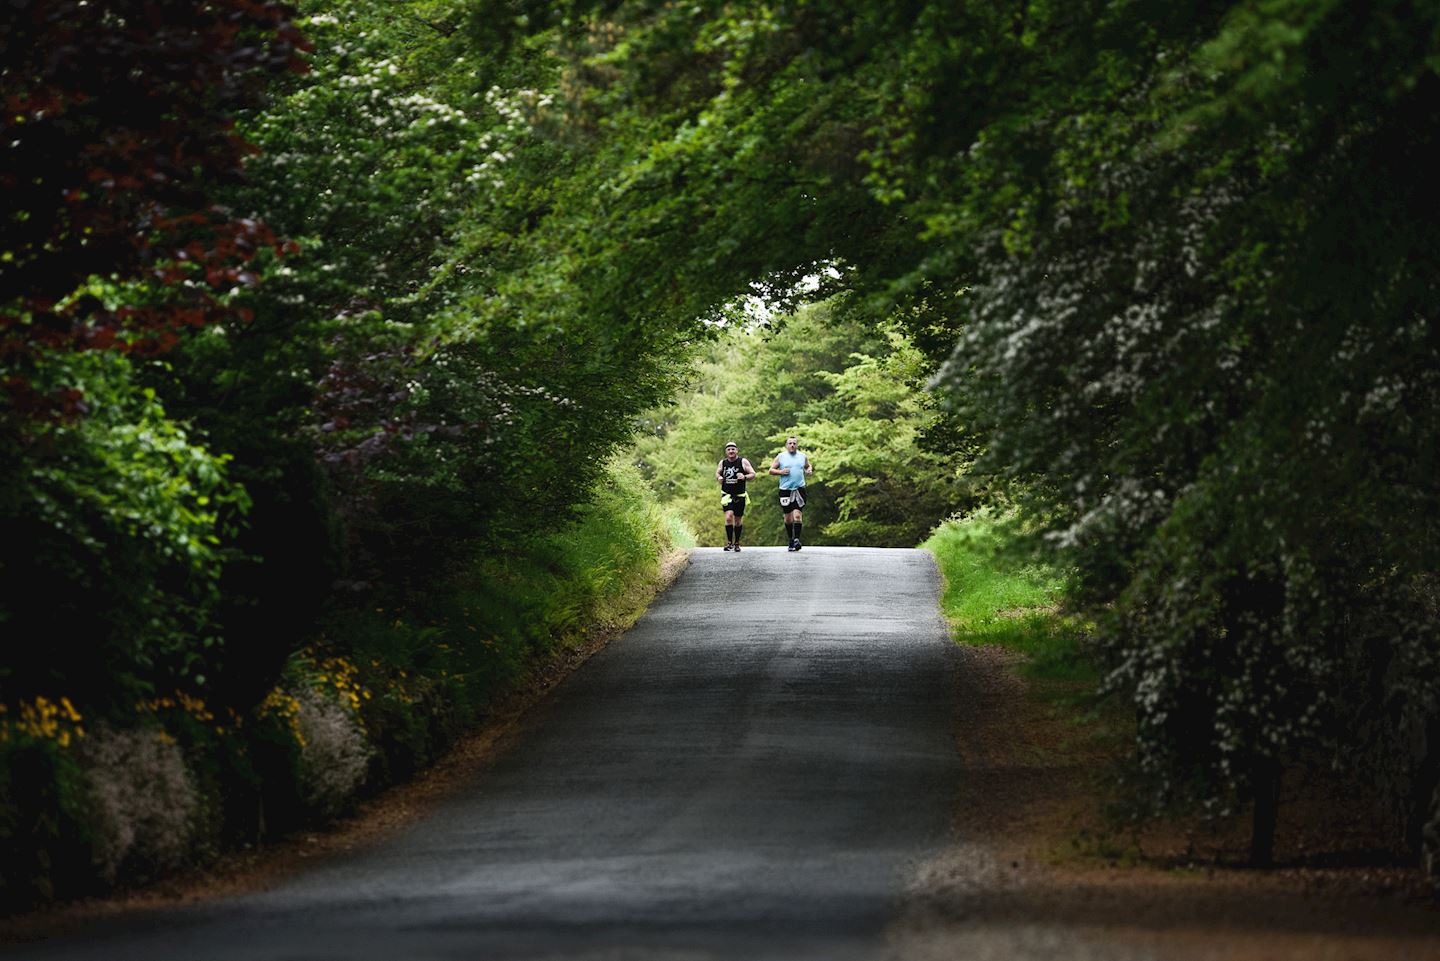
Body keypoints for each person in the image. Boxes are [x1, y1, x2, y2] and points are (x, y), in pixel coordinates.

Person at [768, 435, 814, 551]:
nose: (792, 445)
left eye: (794, 443)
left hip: (799, 489)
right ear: (786, 445)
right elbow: (771, 470)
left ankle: (797, 540)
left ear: (797, 445)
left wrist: (809, 470)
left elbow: (808, 466)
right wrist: (781, 472)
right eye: (790, 443)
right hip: (785, 490)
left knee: (797, 515)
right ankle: (790, 540)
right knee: (788, 518)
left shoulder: (802, 456)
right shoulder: (781, 457)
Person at [715, 441, 756, 551]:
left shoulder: (743, 461)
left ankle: (737, 543)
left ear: (736, 450)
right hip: (727, 495)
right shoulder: (723, 463)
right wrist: (719, 477)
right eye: (728, 449)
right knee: (728, 517)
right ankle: (729, 543)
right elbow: (717, 473)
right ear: (726, 452)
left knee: (738, 520)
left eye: (733, 449)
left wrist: (745, 477)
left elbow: (753, 474)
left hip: (740, 495)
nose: (731, 451)